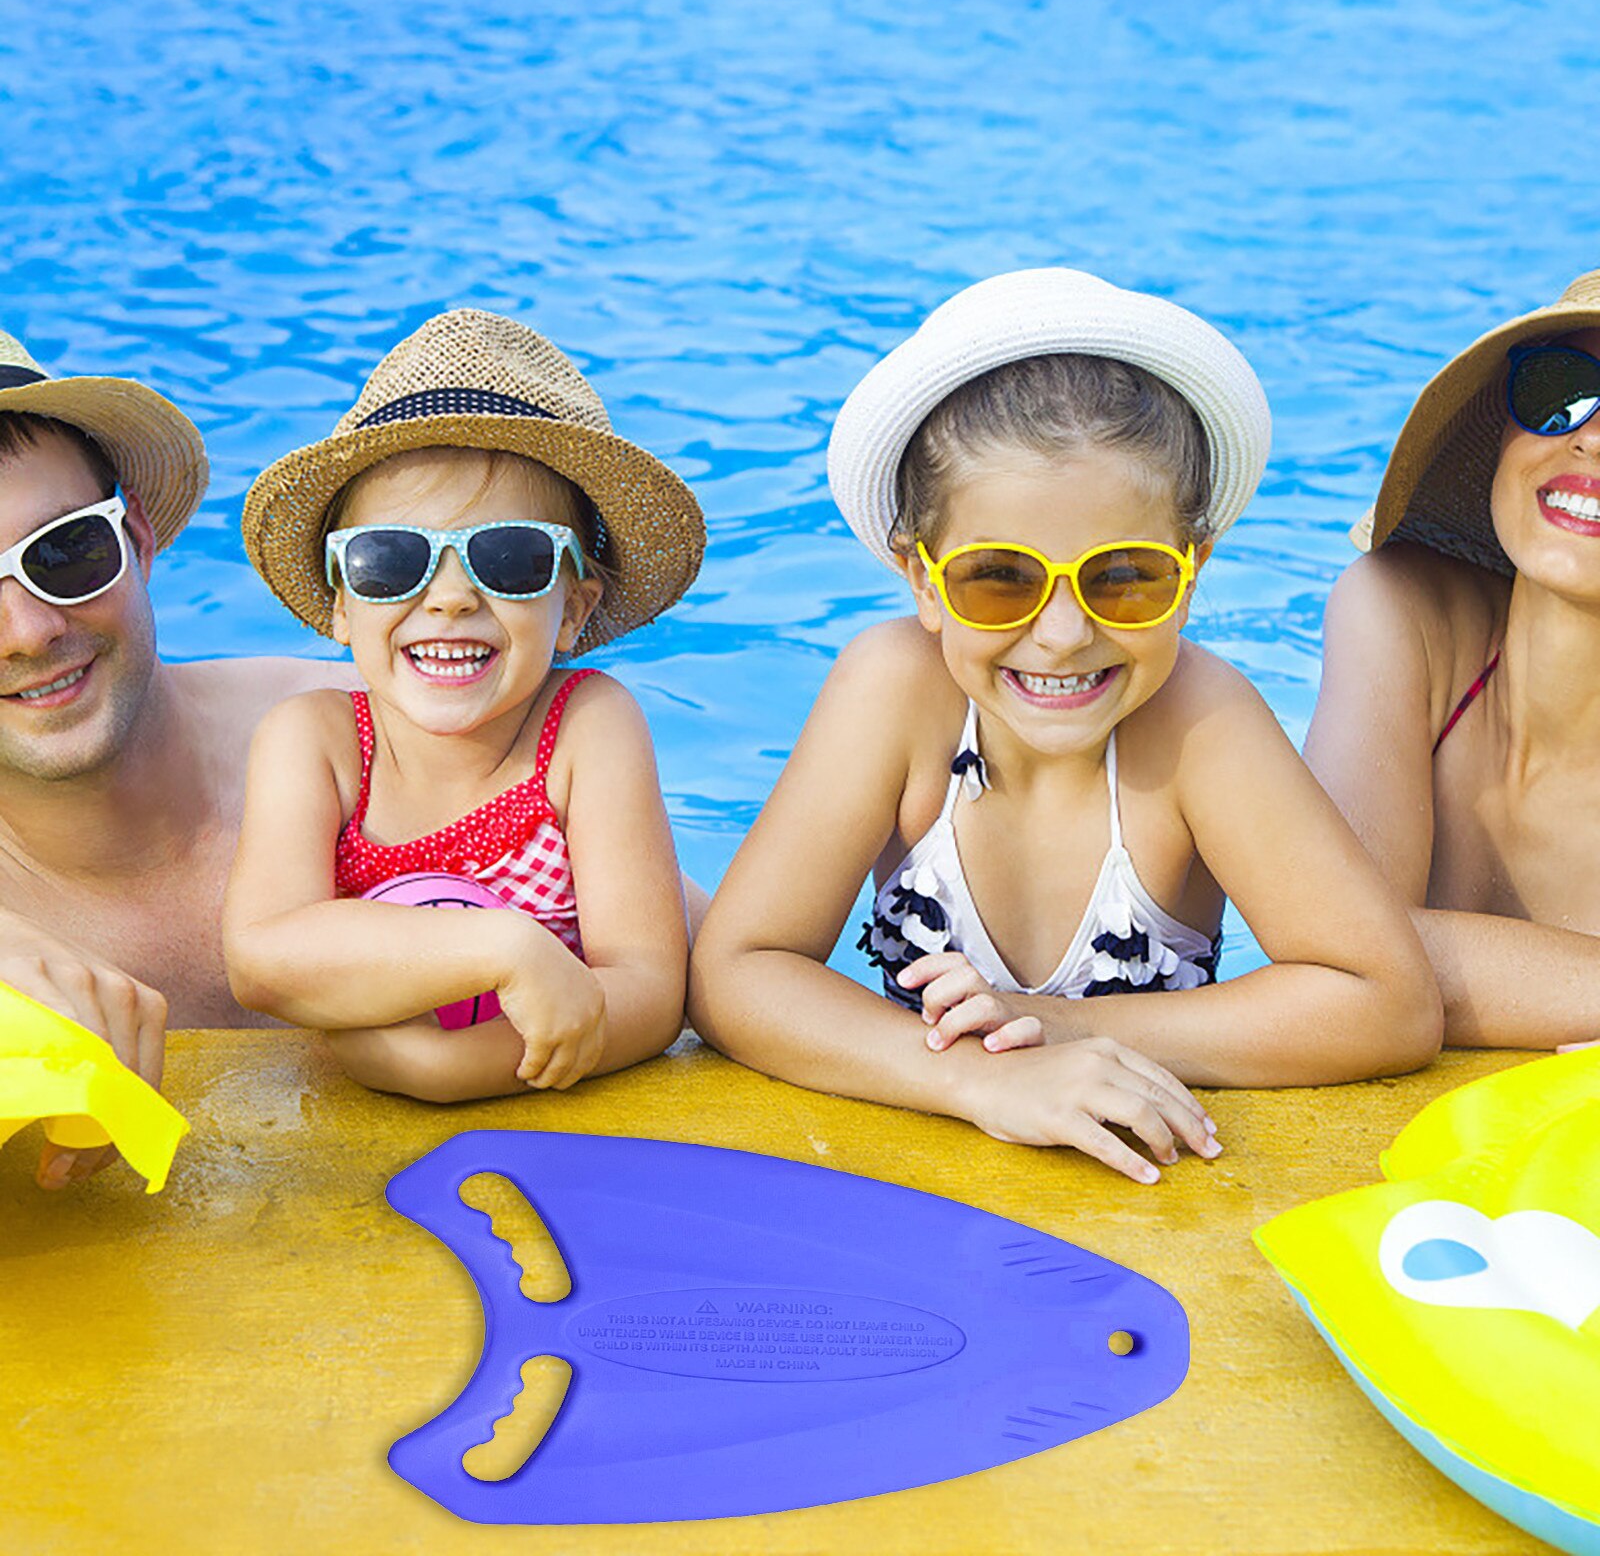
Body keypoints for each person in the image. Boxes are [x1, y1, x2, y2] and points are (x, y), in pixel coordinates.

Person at [690, 270, 1441, 1184]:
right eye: (998, 577)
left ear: (1193, 569)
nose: (1062, 633)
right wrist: (983, 1082)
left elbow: (1385, 1003)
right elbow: (738, 974)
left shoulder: (1202, 722)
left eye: (1125, 576)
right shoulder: (893, 692)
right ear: (924, 581)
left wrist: (1062, 1027)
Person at [225, 310, 704, 1102]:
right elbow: (263, 958)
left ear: (575, 608)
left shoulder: (588, 730)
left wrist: (447, 1069)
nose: (448, 599)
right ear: (342, 604)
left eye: (508, 557)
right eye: (390, 560)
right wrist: (499, 948)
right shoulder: (316, 742)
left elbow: (650, 993)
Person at [0, 331, 351, 1189]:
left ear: (139, 541)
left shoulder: (373, 740)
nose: (30, 632)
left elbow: (711, 964)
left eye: (64, 553)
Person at [1305, 271, 1600, 1049]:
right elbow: (1328, 949)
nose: (1591, 436)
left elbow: (1370, 963)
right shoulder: (1403, 615)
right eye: (1563, 390)